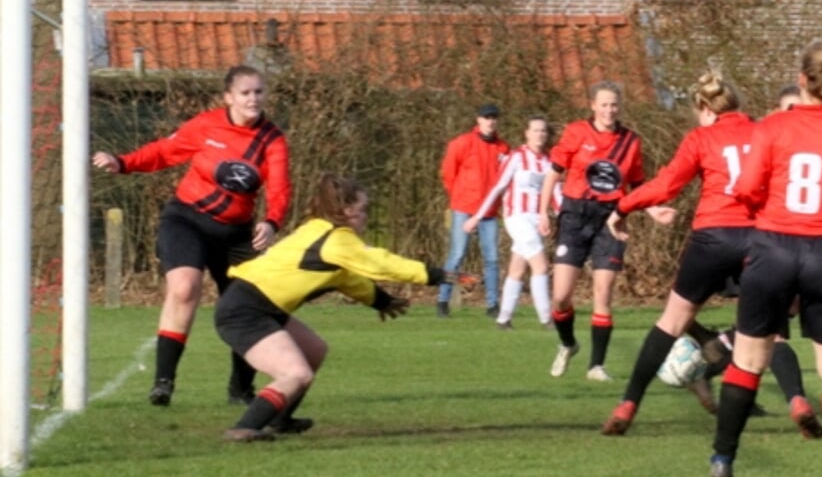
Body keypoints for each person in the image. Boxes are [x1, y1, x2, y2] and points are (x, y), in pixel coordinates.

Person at [708, 40, 822, 477]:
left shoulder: (773, 127)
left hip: (773, 249)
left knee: (748, 359)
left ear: (803, 80)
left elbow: (745, 189)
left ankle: (723, 459)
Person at [216, 173, 475, 441]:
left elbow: (347, 279)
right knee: (295, 373)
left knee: (314, 350)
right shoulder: (336, 239)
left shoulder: (317, 229)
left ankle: (280, 420)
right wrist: (437, 275)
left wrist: (381, 301)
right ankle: (245, 427)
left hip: (259, 306)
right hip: (245, 311)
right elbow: (379, 262)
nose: (366, 217)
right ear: (346, 210)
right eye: (363, 210)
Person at [93, 64, 291, 408]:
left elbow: (280, 186)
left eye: (259, 92)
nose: (253, 99)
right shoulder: (206, 125)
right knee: (184, 288)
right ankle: (163, 383)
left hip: (236, 236)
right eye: (245, 93)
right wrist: (122, 162)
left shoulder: (271, 140)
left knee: (249, 306)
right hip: (187, 221)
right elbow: (163, 151)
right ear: (228, 97)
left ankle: (240, 390)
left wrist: (271, 222)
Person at [600, 70, 757, 435]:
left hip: (713, 236)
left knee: (672, 322)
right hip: (758, 238)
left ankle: (628, 403)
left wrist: (623, 206)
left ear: (704, 108)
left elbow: (667, 184)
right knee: (767, 326)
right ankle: (784, 402)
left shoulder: (702, 137)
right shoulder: (764, 132)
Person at [539, 82, 663, 381]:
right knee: (560, 297)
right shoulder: (576, 132)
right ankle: (568, 343)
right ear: (593, 105)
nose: (610, 110)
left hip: (611, 220)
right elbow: (554, 172)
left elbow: (636, 187)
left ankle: (596, 366)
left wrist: (653, 209)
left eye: (614, 105)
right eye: (604, 104)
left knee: (603, 291)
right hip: (574, 216)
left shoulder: (630, 141)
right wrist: (543, 211)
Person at [464, 115, 555, 330]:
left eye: (543, 130)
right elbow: (498, 187)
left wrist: (559, 215)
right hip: (517, 217)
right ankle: (547, 319)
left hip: (535, 220)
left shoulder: (549, 161)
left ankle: (503, 319)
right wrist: (478, 216)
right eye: (535, 130)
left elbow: (555, 192)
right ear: (526, 133)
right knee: (541, 265)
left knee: (517, 269)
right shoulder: (516, 157)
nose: (540, 134)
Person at [439, 103, 510, 318]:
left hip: (488, 212)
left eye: (494, 117)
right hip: (464, 207)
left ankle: (492, 305)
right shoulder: (462, 143)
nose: (490, 121)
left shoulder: (503, 148)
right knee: (457, 255)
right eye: (487, 117)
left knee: (492, 258)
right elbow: (448, 173)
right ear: (478, 120)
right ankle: (443, 300)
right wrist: (458, 197)